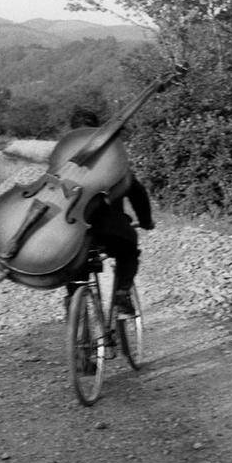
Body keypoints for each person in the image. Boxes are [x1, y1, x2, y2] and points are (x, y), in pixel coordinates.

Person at [65, 109, 154, 316]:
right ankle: (122, 294)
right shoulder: (111, 158)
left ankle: (73, 299)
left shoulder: (63, 160)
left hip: (74, 232)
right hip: (110, 230)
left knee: (70, 260)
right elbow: (136, 191)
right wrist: (146, 220)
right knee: (128, 250)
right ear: (98, 130)